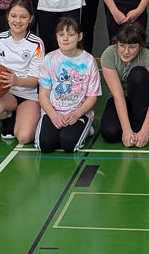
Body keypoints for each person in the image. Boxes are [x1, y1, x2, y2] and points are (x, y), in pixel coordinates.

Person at [0, 0, 45, 145]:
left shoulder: (36, 43)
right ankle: (7, 116)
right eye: (14, 16)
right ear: (7, 17)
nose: (18, 21)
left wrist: (16, 80)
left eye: (23, 17)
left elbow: (35, 80)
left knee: (23, 138)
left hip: (28, 96)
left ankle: (25, 116)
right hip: (5, 94)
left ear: (31, 19)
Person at [36, 16, 101, 153]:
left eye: (70, 34)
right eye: (61, 34)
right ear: (56, 36)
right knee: (46, 145)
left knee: (68, 143)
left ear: (80, 36)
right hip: (53, 112)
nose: (65, 38)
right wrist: (53, 115)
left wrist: (77, 114)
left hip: (78, 113)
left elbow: (92, 97)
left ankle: (86, 128)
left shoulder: (89, 61)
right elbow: (43, 95)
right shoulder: (49, 59)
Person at [99, 23, 149, 148]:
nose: (126, 51)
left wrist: (145, 131)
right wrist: (126, 130)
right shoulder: (109, 54)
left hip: (141, 99)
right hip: (120, 99)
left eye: (132, 47)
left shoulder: (148, 56)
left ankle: (139, 124)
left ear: (140, 47)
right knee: (110, 133)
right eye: (122, 46)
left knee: (137, 74)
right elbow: (118, 95)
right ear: (116, 43)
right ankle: (131, 126)